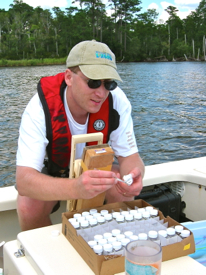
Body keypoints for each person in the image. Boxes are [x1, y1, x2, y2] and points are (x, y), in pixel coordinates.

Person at [16, 40, 145, 231]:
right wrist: (75, 187)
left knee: (121, 186)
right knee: (28, 205)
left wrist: (135, 176)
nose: (101, 93)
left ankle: (113, 247)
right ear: (69, 77)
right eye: (93, 82)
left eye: (109, 83)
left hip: (95, 169)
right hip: (55, 171)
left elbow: (130, 158)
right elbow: (24, 181)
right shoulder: (39, 108)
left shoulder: (117, 101)